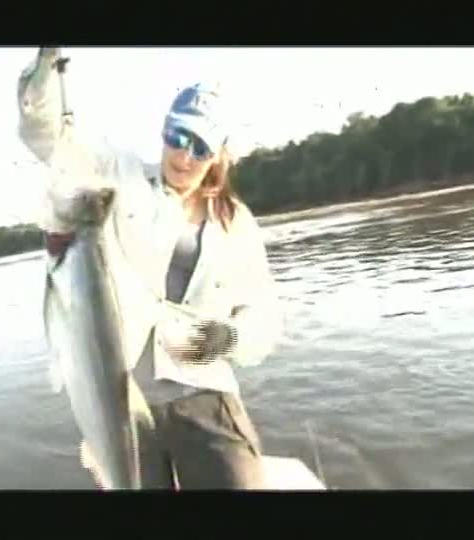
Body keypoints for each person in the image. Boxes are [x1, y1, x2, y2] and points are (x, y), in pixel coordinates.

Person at [17, 47, 285, 489]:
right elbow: (46, 136)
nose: (184, 156)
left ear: (217, 155)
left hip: (204, 395)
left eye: (199, 147)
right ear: (163, 132)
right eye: (177, 137)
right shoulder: (117, 178)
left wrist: (231, 336)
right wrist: (47, 66)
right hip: (122, 398)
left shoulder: (236, 224)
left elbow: (267, 316)